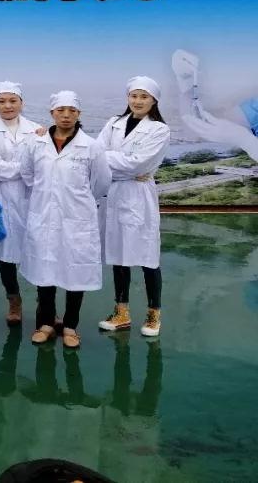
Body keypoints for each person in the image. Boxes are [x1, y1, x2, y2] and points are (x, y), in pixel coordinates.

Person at [20, 91, 112, 349]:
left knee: (75, 272)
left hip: (77, 219)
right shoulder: (35, 143)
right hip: (44, 215)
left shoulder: (91, 146)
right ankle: (46, 324)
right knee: (45, 271)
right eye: (60, 110)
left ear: (78, 114)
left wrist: (75, 200)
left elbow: (101, 182)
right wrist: (48, 194)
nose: (66, 115)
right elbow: (27, 173)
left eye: (72, 110)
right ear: (52, 113)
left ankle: (71, 326)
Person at [96, 77, 171, 338]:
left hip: (139, 197)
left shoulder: (159, 130)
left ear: (153, 101)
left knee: (148, 257)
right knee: (118, 255)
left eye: (144, 97)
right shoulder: (114, 123)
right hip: (114, 194)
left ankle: (154, 314)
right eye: (134, 96)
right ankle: (121, 313)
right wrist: (124, 165)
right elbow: (96, 156)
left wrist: (117, 163)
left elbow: (140, 164)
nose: (138, 101)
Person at [0, 81, 41, 326]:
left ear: (21, 103)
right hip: (2, 196)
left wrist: (18, 169)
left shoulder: (36, 130)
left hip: (32, 197)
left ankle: (45, 305)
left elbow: (42, 164)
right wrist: (25, 169)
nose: (7, 106)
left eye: (12, 101)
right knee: (6, 255)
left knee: (38, 250)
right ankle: (14, 301)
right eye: (2, 101)